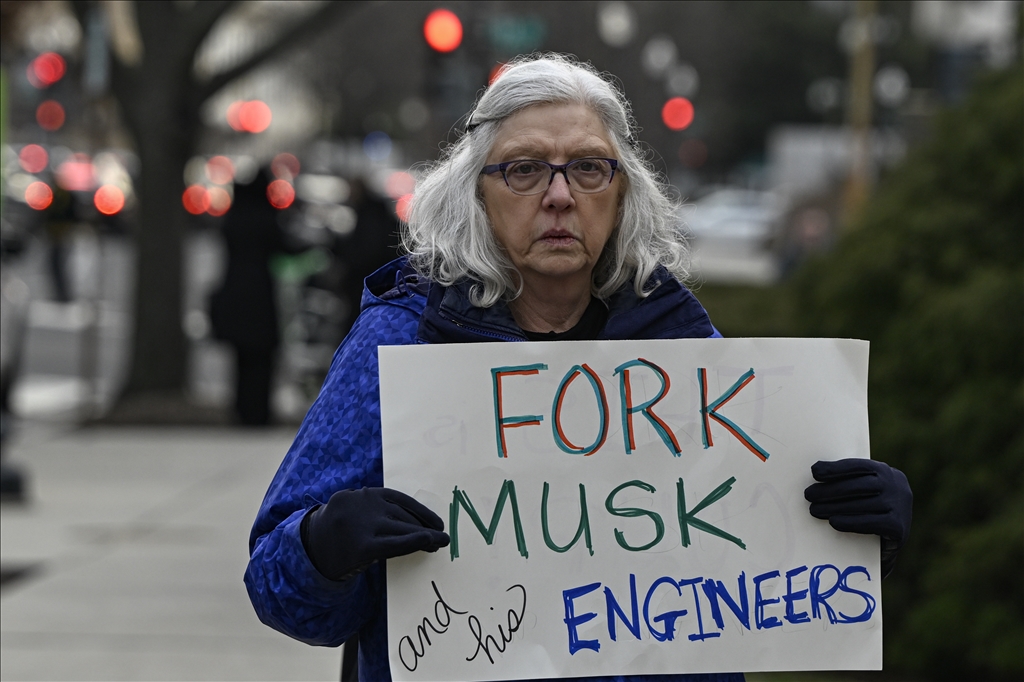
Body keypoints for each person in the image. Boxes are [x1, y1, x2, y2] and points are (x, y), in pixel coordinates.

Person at [245, 55, 912, 682]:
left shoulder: (679, 341)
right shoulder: (402, 340)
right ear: (475, 194)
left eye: (590, 168)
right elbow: (285, 597)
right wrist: (323, 545)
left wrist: (856, 538)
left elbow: (752, 569)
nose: (560, 195)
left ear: (623, 194)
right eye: (524, 169)